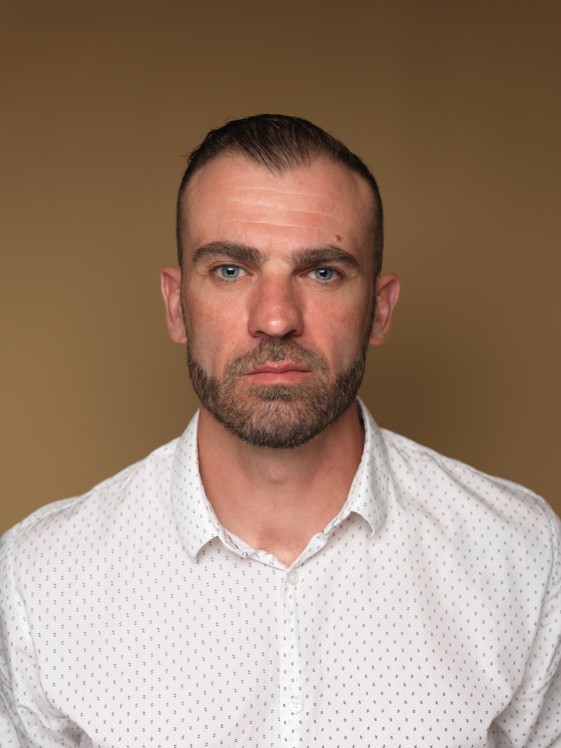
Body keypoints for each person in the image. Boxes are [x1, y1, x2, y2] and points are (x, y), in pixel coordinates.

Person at [1, 114, 560, 747]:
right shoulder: (39, 579)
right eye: (229, 270)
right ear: (176, 305)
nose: (275, 319)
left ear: (379, 310)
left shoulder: (523, 555)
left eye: (322, 272)